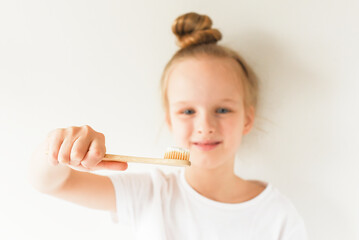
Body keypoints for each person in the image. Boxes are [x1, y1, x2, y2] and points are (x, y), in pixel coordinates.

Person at [29, 12, 307, 240]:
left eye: (222, 109)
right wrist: (56, 148)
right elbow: (50, 184)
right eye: (187, 111)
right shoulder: (151, 194)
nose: (205, 125)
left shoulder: (278, 216)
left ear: (247, 118)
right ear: (169, 119)